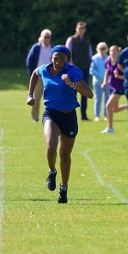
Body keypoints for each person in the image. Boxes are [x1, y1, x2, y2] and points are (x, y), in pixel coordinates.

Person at [26, 45, 93, 204]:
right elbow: (35, 74)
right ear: (51, 58)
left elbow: (89, 94)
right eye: (56, 58)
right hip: (51, 113)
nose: (58, 62)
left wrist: (71, 84)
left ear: (67, 60)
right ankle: (52, 171)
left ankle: (64, 188)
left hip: (69, 116)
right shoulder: (45, 69)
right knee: (50, 146)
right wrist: (30, 95)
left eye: (63, 59)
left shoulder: (73, 71)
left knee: (64, 154)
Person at [65, 21, 93, 121]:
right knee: (73, 91)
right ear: (76, 29)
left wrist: (91, 63)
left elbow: (90, 54)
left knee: (85, 92)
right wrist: (71, 65)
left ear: (84, 30)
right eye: (79, 28)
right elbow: (67, 53)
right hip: (74, 69)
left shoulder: (87, 40)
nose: (81, 30)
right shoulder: (71, 39)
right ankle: (71, 113)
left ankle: (83, 115)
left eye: (82, 28)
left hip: (85, 68)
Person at [26, 29, 54, 122]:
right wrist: (33, 74)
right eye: (45, 37)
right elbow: (29, 61)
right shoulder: (36, 47)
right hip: (38, 77)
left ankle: (51, 116)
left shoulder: (52, 47)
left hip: (50, 77)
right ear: (41, 37)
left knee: (50, 97)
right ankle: (35, 117)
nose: (46, 39)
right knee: (36, 98)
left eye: (48, 37)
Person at [101, 45, 128, 133]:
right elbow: (107, 72)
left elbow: (127, 76)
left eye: (114, 51)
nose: (112, 53)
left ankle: (110, 128)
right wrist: (104, 82)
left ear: (118, 52)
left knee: (108, 106)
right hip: (111, 87)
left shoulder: (121, 63)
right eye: (111, 51)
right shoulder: (108, 61)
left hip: (120, 87)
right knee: (114, 109)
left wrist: (118, 76)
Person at [89, 42, 110, 122]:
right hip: (97, 82)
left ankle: (106, 115)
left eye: (104, 48)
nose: (102, 50)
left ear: (106, 49)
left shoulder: (109, 58)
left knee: (107, 99)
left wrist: (106, 78)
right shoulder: (94, 58)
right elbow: (92, 70)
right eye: (100, 48)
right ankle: (97, 116)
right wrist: (101, 77)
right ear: (97, 49)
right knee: (98, 99)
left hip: (107, 82)